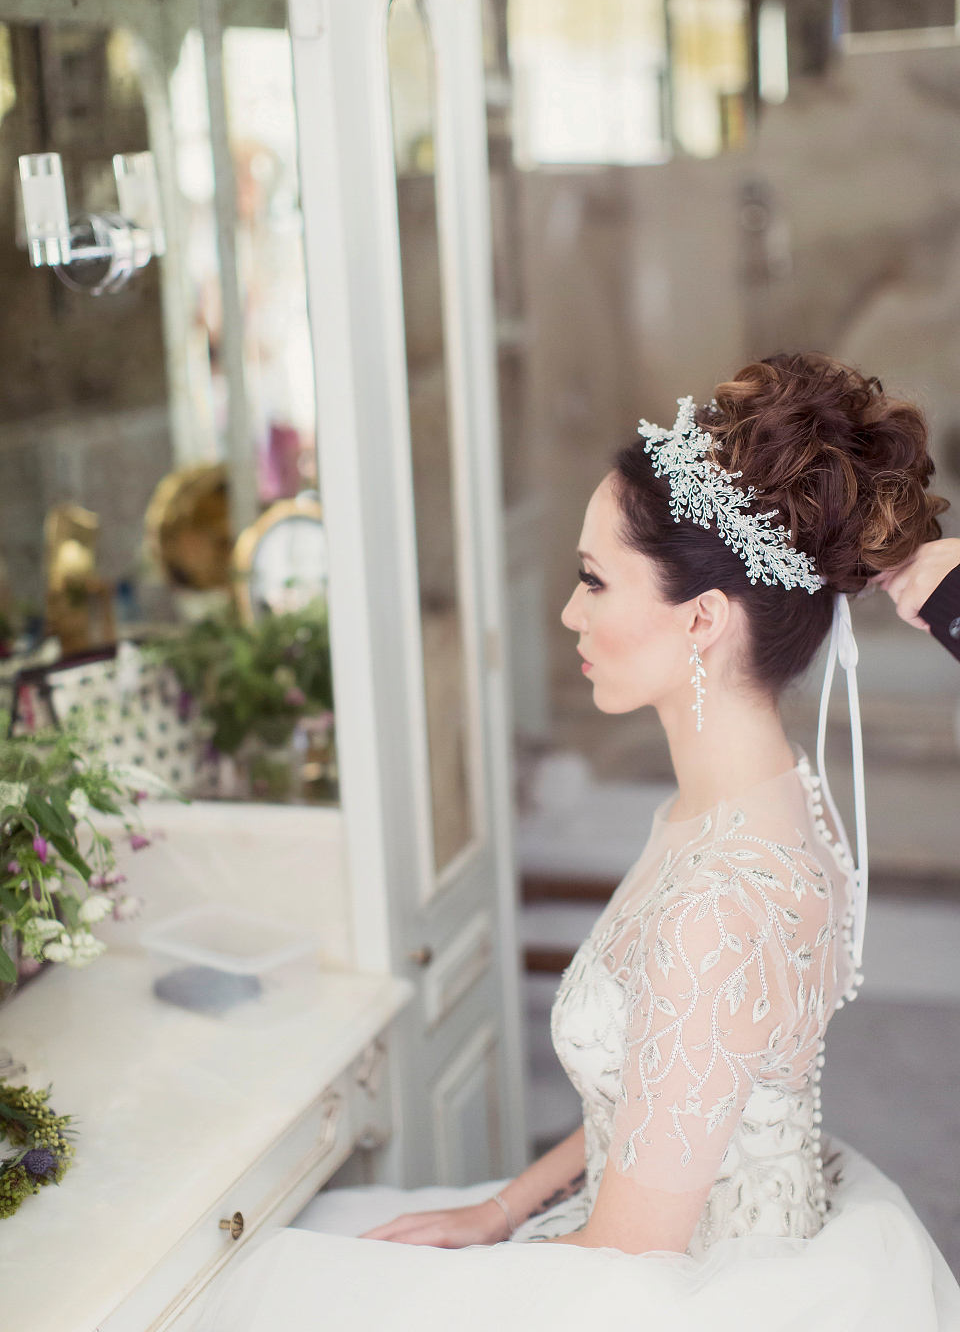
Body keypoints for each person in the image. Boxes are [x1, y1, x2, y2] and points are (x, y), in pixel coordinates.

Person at [201, 354, 960, 1332]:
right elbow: (665, 1093)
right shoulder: (764, 799)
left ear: (702, 621)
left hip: (665, 1284)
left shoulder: (717, 904)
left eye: (593, 580)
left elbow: (624, 1257)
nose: (568, 613)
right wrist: (500, 1208)